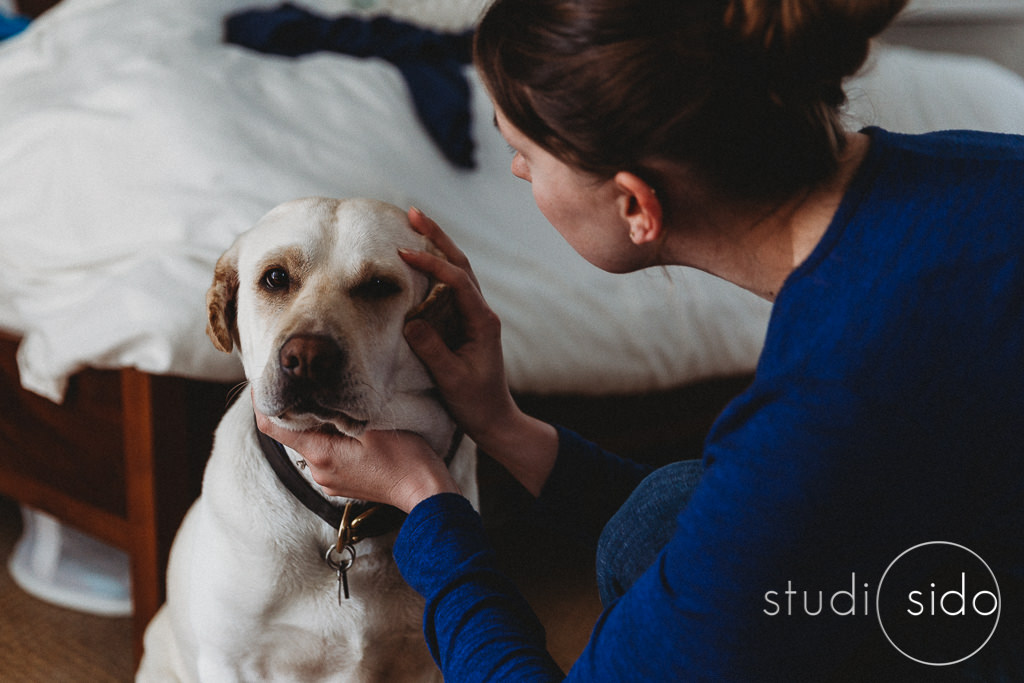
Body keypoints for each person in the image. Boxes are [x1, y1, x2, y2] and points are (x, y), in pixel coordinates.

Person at [255, 0, 1024, 679]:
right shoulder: (977, 171)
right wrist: (504, 427)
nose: (519, 171)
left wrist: (426, 500)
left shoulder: (834, 386)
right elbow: (742, 537)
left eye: (526, 149)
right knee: (661, 518)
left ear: (634, 202)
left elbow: (778, 499)